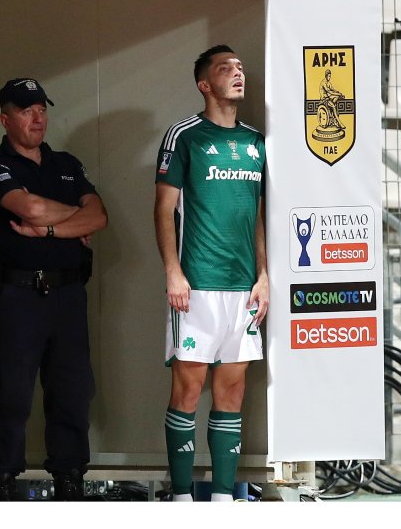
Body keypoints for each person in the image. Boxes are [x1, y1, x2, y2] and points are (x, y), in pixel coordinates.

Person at [0, 78, 108, 501]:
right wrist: (72, 218)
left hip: (68, 295)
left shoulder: (66, 163)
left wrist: (49, 227)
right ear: (5, 119)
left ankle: (70, 480)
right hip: (19, 296)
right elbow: (29, 207)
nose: (37, 118)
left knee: (73, 393)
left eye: (42, 110)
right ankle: (2, 481)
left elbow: (99, 217)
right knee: (10, 394)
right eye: (26, 110)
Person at [153, 45, 269, 502]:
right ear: (205, 84)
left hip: (243, 288)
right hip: (197, 284)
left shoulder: (256, 142)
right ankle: (182, 497)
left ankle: (223, 499)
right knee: (188, 389)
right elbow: (163, 209)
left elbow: (257, 216)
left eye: (240, 67)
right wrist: (173, 271)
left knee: (233, 391)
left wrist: (263, 275)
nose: (237, 74)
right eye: (225, 69)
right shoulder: (184, 136)